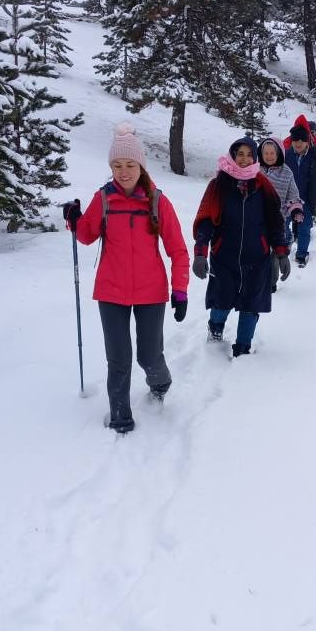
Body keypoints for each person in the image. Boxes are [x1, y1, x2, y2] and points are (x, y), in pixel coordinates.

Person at [64, 123, 189, 434]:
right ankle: (121, 417)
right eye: (117, 165)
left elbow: (178, 250)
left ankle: (160, 383)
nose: (123, 171)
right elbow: (86, 235)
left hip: (151, 292)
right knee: (118, 359)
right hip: (111, 291)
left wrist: (181, 290)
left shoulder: (158, 202)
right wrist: (74, 219)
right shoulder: (104, 199)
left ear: (141, 166)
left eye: (130, 165)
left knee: (149, 355)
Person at [192, 137, 290, 357]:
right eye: (240, 154)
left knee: (250, 306)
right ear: (233, 156)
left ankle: (243, 349)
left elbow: (275, 222)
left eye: (249, 155)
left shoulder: (263, 185)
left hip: (257, 259)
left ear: (255, 158)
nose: (244, 159)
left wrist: (281, 253)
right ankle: (215, 329)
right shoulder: (218, 185)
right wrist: (200, 253)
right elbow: (206, 220)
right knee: (221, 300)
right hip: (224, 257)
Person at [258, 136, 304, 291]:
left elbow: (293, 193)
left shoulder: (286, 172)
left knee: (275, 251)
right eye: (266, 153)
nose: (269, 156)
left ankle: (271, 281)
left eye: (272, 153)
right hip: (257, 218)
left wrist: (296, 209)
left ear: (278, 154)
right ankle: (257, 277)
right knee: (259, 249)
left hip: (279, 219)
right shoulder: (256, 169)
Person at [284, 124, 316, 267]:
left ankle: (301, 253)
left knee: (304, 228)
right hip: (287, 199)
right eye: (295, 140)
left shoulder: (315, 155)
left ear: (306, 141)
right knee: (284, 225)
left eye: (301, 140)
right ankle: (286, 244)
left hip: (306, 199)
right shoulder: (286, 154)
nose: (298, 143)